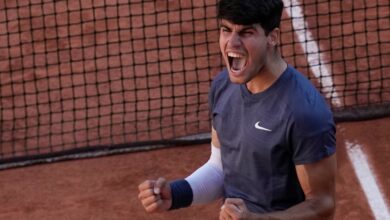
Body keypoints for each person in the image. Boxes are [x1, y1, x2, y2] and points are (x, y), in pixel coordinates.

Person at [138, 0, 337, 219]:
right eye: (226, 30)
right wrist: (175, 194)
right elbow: (220, 167)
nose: (232, 43)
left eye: (246, 33)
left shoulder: (303, 113)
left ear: (272, 37)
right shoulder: (223, 86)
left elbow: (321, 205)